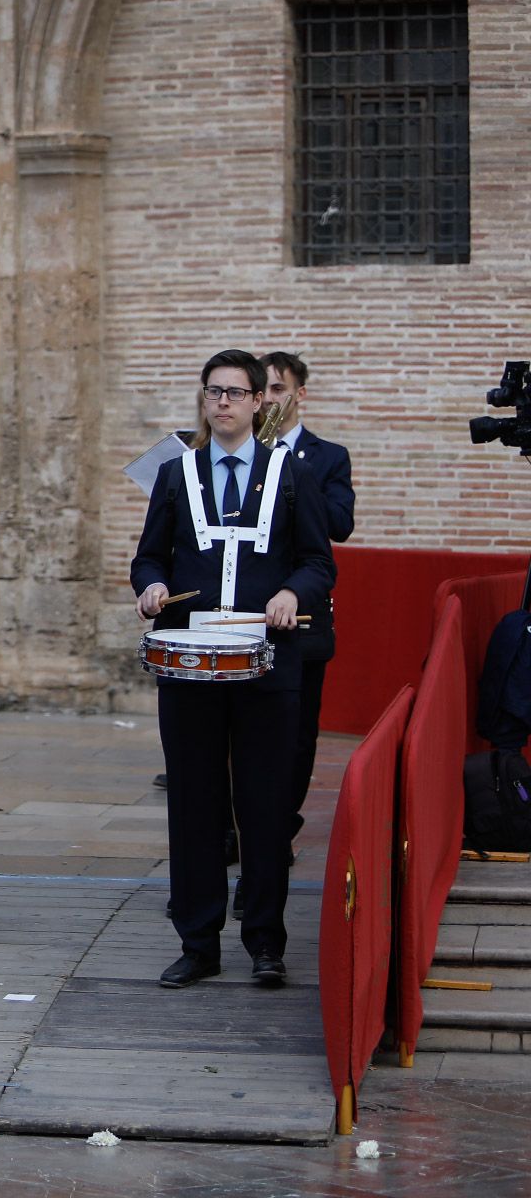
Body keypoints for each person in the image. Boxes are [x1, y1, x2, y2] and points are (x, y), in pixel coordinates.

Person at [132, 349, 334, 989]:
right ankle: (197, 942)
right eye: (213, 392)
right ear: (204, 400)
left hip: (267, 666)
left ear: (257, 403)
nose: (223, 403)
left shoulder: (289, 473)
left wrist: (292, 594)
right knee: (193, 804)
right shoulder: (176, 474)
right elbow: (148, 558)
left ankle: (266, 943)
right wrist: (152, 587)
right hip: (190, 667)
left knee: (266, 805)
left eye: (236, 393)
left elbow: (318, 561)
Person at [260, 351, 353, 858]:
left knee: (296, 735)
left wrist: (289, 465)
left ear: (299, 394)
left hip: (303, 615)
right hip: (245, 613)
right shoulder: (237, 450)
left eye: (278, 389)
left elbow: (340, 524)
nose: (269, 399)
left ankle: (279, 828)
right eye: (264, 390)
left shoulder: (326, 456)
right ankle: (241, 830)